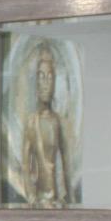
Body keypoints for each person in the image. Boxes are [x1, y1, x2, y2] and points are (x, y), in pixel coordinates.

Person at [19, 43, 72, 208]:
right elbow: (25, 166)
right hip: (38, 201)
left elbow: (66, 164)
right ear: (35, 82)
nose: (46, 83)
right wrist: (32, 197)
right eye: (42, 77)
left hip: (57, 200)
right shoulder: (31, 122)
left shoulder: (58, 122)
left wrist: (65, 197)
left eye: (50, 77)